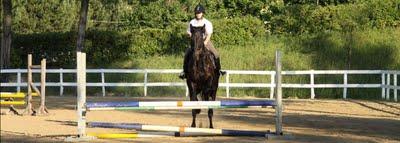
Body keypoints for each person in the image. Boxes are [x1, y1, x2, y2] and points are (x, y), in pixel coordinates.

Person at [179, 4, 224, 79]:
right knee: (187, 53)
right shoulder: (192, 22)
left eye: (199, 13)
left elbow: (209, 34)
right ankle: (184, 72)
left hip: (205, 40)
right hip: (195, 42)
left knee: (216, 53)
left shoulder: (207, 22)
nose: (198, 14)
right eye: (197, 13)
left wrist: (205, 42)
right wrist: (192, 37)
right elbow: (188, 32)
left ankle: (218, 70)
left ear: (202, 13)